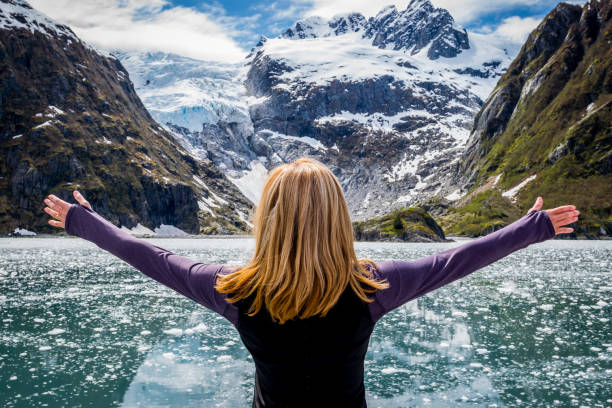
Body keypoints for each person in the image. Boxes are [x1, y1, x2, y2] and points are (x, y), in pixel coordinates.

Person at [43, 157, 579, 407]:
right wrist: (531, 228)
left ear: (268, 219)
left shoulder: (235, 288)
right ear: (337, 218)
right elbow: (456, 259)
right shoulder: (372, 287)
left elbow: (153, 256)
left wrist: (83, 222)